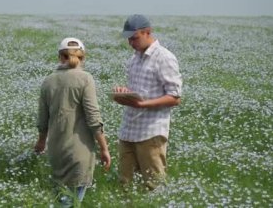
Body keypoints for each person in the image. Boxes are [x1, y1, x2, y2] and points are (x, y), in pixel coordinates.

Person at [34, 37, 111, 206]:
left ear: (60, 57)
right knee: (70, 201)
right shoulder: (85, 79)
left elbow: (42, 119)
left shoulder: (48, 80)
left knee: (61, 197)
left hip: (56, 150)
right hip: (79, 151)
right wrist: (104, 148)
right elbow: (93, 118)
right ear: (83, 57)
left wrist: (41, 142)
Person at [112, 14, 182, 191]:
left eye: (134, 38)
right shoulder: (134, 59)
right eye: (128, 39)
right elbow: (139, 92)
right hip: (128, 129)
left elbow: (175, 97)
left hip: (150, 132)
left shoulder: (164, 57)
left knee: (153, 185)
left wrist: (143, 105)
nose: (131, 43)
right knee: (125, 184)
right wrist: (124, 93)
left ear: (148, 32)